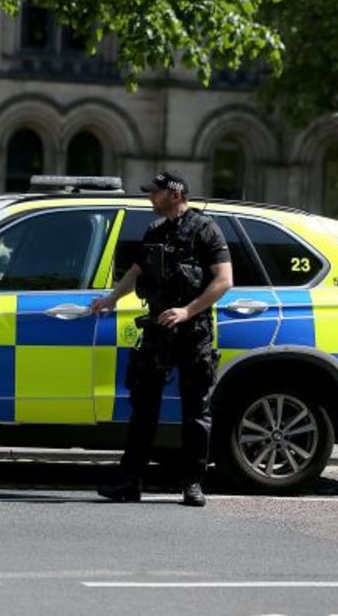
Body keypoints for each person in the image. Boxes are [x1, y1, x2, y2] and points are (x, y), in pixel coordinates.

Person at [92, 172, 233, 507]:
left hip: (192, 331)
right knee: (144, 408)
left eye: (154, 193)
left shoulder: (205, 229)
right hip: (157, 330)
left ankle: (193, 484)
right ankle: (129, 481)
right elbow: (137, 272)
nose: (150, 198)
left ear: (175, 193)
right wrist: (111, 299)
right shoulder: (155, 230)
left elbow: (224, 280)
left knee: (195, 410)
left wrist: (187, 311)